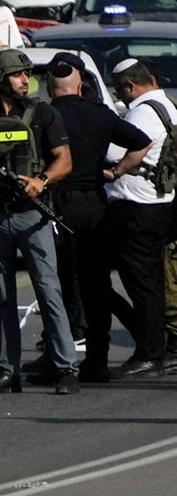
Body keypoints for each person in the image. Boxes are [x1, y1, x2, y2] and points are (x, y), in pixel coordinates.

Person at [0, 47, 78, 395]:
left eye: (26, 73)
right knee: (2, 296)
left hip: (34, 216)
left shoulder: (43, 113)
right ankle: (7, 370)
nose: (26, 79)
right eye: (17, 74)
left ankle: (66, 368)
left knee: (49, 292)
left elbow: (64, 161)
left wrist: (41, 182)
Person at [30, 53, 152, 385]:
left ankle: (59, 359)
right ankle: (97, 360)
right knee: (96, 286)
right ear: (81, 85)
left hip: (56, 205)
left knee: (58, 286)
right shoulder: (99, 114)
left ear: (48, 87)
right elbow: (142, 142)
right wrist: (116, 172)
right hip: (95, 206)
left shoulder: (43, 116)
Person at [103, 57, 177, 378]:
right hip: (164, 203)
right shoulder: (169, 107)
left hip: (137, 208)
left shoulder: (142, 113)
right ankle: (161, 347)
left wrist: (115, 168)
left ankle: (150, 353)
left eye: (122, 90)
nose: (122, 96)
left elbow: (115, 153)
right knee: (155, 280)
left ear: (131, 86)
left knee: (141, 282)